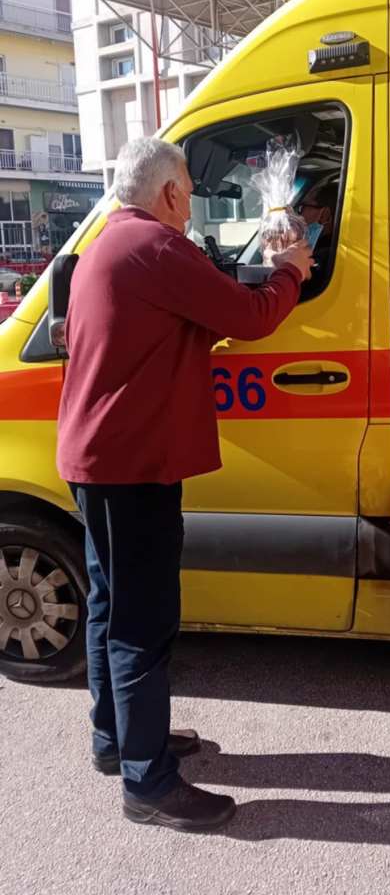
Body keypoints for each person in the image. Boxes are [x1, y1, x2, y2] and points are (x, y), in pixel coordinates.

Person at [56, 137, 313, 832]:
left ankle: (117, 740)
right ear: (170, 192)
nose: (191, 206)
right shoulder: (157, 248)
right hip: (134, 465)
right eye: (190, 194)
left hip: (101, 460)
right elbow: (250, 317)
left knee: (110, 604)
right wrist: (290, 270)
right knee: (142, 623)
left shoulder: (111, 243)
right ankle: (148, 782)